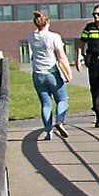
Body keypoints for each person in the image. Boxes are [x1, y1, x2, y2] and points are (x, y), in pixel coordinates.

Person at [27, 11, 70, 141]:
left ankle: (47, 131)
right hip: (52, 72)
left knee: (46, 104)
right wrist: (68, 72)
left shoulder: (31, 37)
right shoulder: (54, 37)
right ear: (48, 22)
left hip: (37, 74)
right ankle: (59, 120)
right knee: (62, 100)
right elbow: (61, 57)